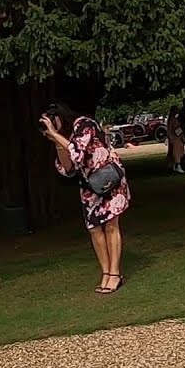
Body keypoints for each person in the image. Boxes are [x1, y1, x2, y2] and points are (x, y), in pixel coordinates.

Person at [40, 101, 131, 294]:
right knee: (94, 228)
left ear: (59, 117)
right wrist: (57, 141)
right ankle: (106, 273)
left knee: (111, 225)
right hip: (89, 185)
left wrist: (56, 135)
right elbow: (68, 168)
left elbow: (77, 153)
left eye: (51, 121)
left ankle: (115, 274)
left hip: (109, 178)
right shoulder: (65, 136)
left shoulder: (84, 124)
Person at [165, 105, 185, 173]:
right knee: (177, 151)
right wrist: (170, 137)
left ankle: (174, 165)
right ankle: (178, 165)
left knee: (179, 150)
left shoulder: (174, 119)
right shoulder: (172, 120)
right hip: (174, 137)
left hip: (178, 136)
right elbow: (170, 129)